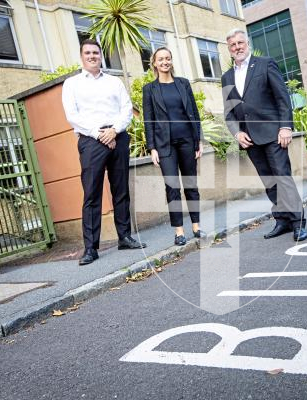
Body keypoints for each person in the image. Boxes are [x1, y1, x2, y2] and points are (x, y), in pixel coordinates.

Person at [62, 39, 146, 265]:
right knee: (91, 194)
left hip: (117, 137)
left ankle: (125, 237)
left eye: (95, 53)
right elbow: (73, 115)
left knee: (121, 190)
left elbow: (126, 109)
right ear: (81, 57)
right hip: (91, 140)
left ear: (101, 56)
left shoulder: (114, 82)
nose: (92, 56)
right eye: (88, 53)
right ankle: (91, 248)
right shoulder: (72, 84)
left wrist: (114, 131)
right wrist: (99, 133)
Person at [221, 29, 307, 241]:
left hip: (273, 133)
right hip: (249, 139)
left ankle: (298, 222)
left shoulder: (265, 64)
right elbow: (229, 111)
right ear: (229, 49)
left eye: (240, 43)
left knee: (282, 177)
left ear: (247, 43)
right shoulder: (226, 77)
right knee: (269, 181)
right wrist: (237, 133)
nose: (237, 47)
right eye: (233, 45)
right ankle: (282, 220)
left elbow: (282, 97)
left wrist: (286, 126)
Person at [142, 47, 205, 246]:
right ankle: (179, 231)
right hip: (164, 145)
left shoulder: (183, 84)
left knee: (191, 185)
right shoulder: (150, 89)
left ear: (171, 61)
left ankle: (196, 226)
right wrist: (152, 147)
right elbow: (148, 120)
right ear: (154, 63)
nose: (164, 62)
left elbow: (194, 113)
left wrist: (198, 140)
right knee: (172, 187)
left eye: (167, 58)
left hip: (187, 141)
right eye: (160, 59)